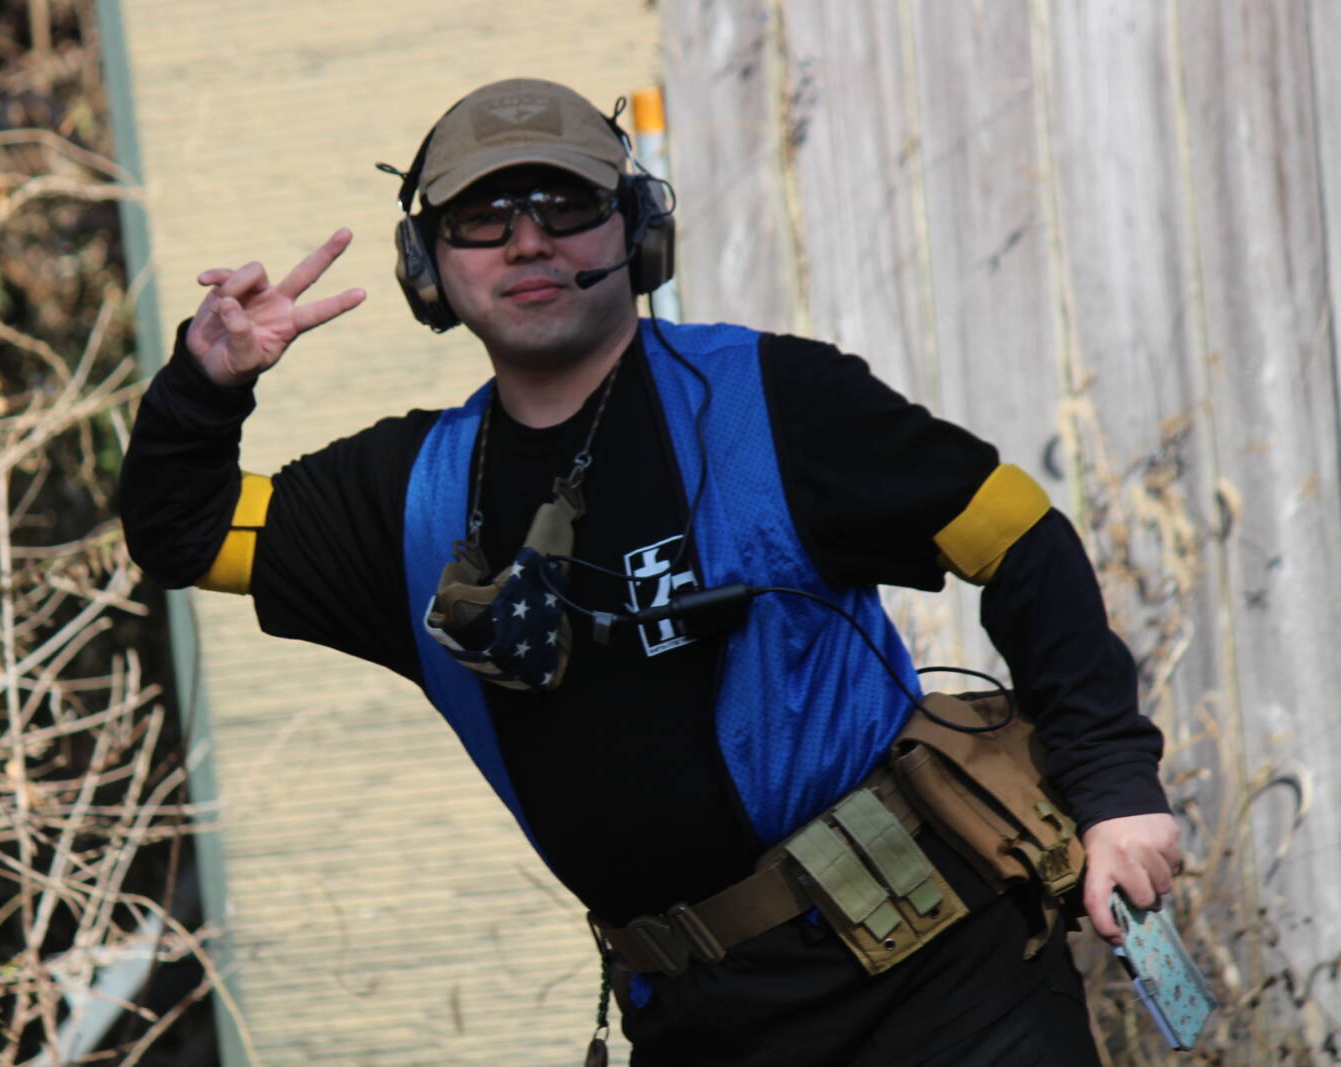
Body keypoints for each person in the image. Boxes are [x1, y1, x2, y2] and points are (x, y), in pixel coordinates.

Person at [121, 77, 1181, 1066]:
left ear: (636, 226)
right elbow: (183, 531)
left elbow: (1020, 539)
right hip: (695, 1021)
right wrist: (205, 386)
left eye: (565, 203)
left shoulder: (776, 399)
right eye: (482, 216)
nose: (527, 239)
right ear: (426, 263)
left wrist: (1115, 788)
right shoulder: (402, 499)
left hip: (942, 987)